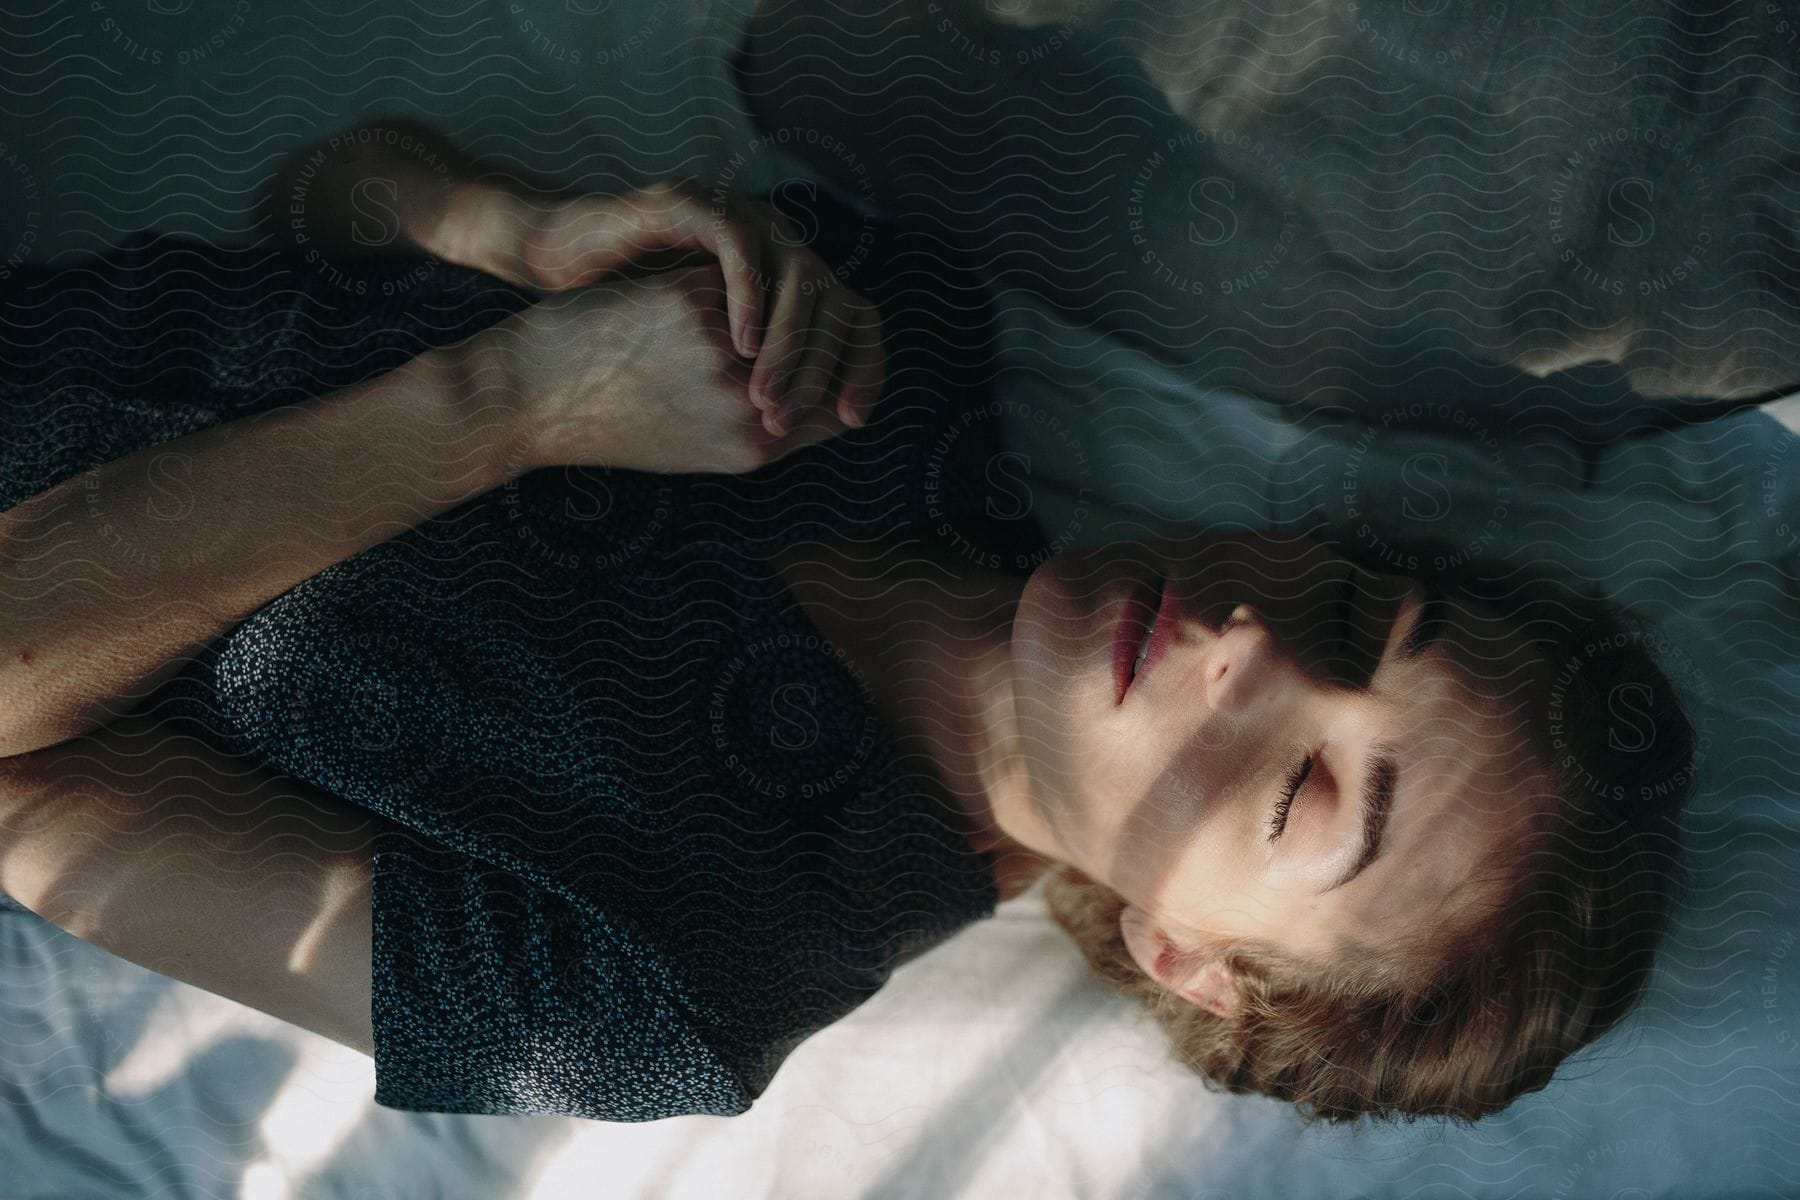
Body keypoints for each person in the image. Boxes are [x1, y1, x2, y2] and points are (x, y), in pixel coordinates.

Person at [0, 123, 1694, 1125]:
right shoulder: (899, 342)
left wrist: (506, 404)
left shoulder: (664, 989)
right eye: (1356, 611)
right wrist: (518, 230)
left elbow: (19, 799)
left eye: (1302, 794)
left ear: (1196, 964)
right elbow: (324, 198)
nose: (1252, 648)